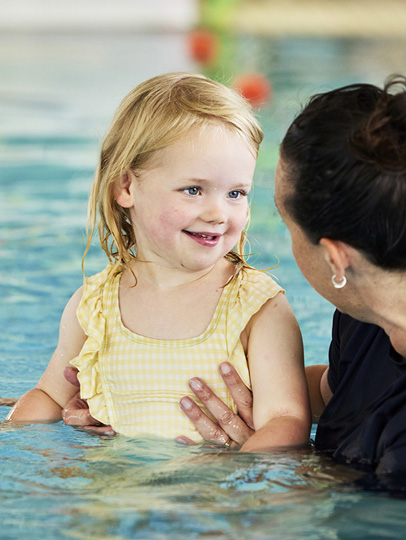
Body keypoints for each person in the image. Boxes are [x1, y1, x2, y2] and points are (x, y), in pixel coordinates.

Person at [181, 75, 406, 480]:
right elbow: (334, 393)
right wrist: (161, 390)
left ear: (336, 258)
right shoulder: (395, 271)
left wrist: (251, 469)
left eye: (287, 224)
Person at [6, 73, 311, 451]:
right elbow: (50, 397)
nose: (219, 213)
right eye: (194, 190)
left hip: (211, 501)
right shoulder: (96, 303)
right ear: (127, 188)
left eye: (236, 193)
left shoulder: (255, 307)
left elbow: (286, 420)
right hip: (111, 497)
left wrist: (246, 466)